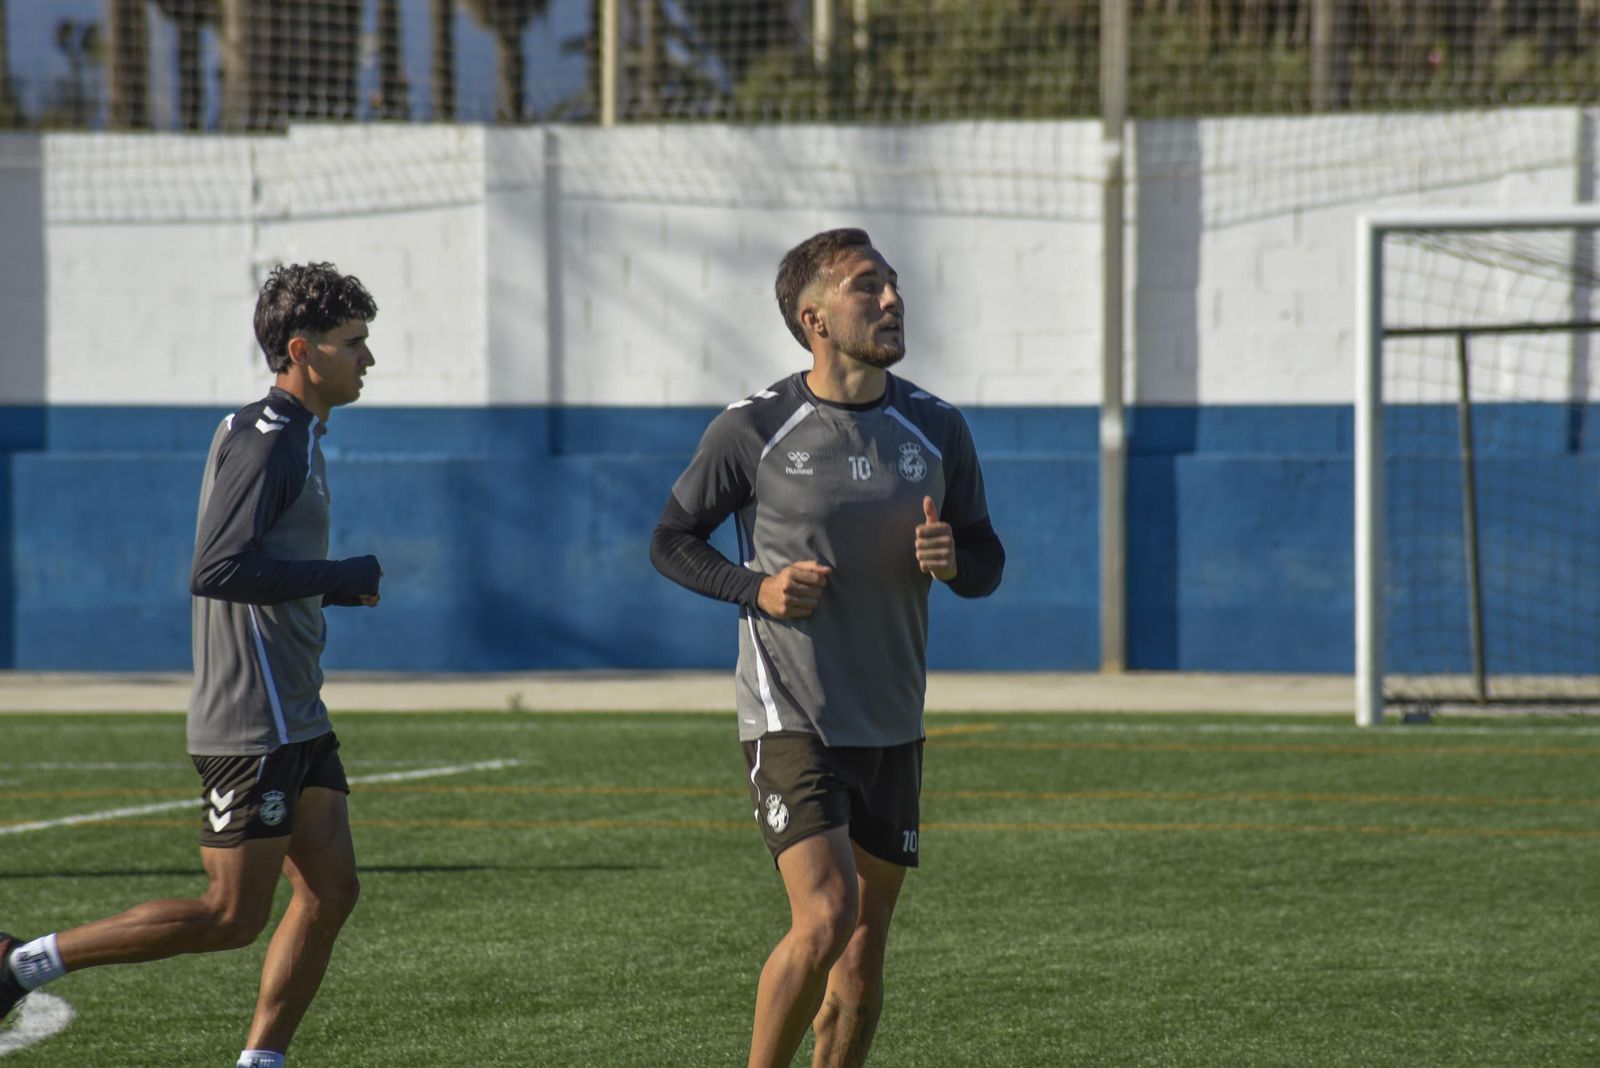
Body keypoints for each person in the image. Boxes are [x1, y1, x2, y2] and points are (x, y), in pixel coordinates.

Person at [0, 262, 384, 1068]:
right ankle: (18, 966)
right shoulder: (272, 442)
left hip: (296, 710)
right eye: (354, 344)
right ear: (301, 350)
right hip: (255, 719)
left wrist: (328, 592)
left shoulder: (290, 433)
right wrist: (336, 578)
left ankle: (262, 1060)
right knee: (229, 916)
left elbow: (255, 564)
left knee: (331, 890)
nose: (368, 360)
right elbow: (217, 569)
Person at [650, 228, 1005, 1068]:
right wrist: (756, 587)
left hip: (891, 722)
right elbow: (671, 540)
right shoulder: (753, 429)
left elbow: (987, 560)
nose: (890, 300)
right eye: (865, 286)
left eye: (892, 284)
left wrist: (957, 561)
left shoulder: (936, 427)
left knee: (861, 958)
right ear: (813, 317)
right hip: (791, 715)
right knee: (825, 917)